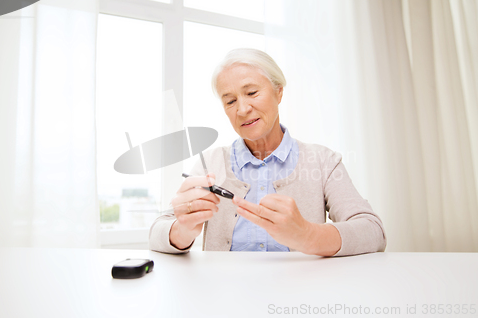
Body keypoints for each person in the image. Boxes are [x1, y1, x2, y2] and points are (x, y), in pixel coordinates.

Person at [149, 48, 386, 256]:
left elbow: (373, 231)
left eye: (252, 93)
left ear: (279, 92)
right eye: (230, 101)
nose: (242, 109)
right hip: (224, 296)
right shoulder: (211, 162)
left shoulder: (323, 161)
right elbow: (158, 229)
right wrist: (182, 230)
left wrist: (306, 234)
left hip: (300, 296)